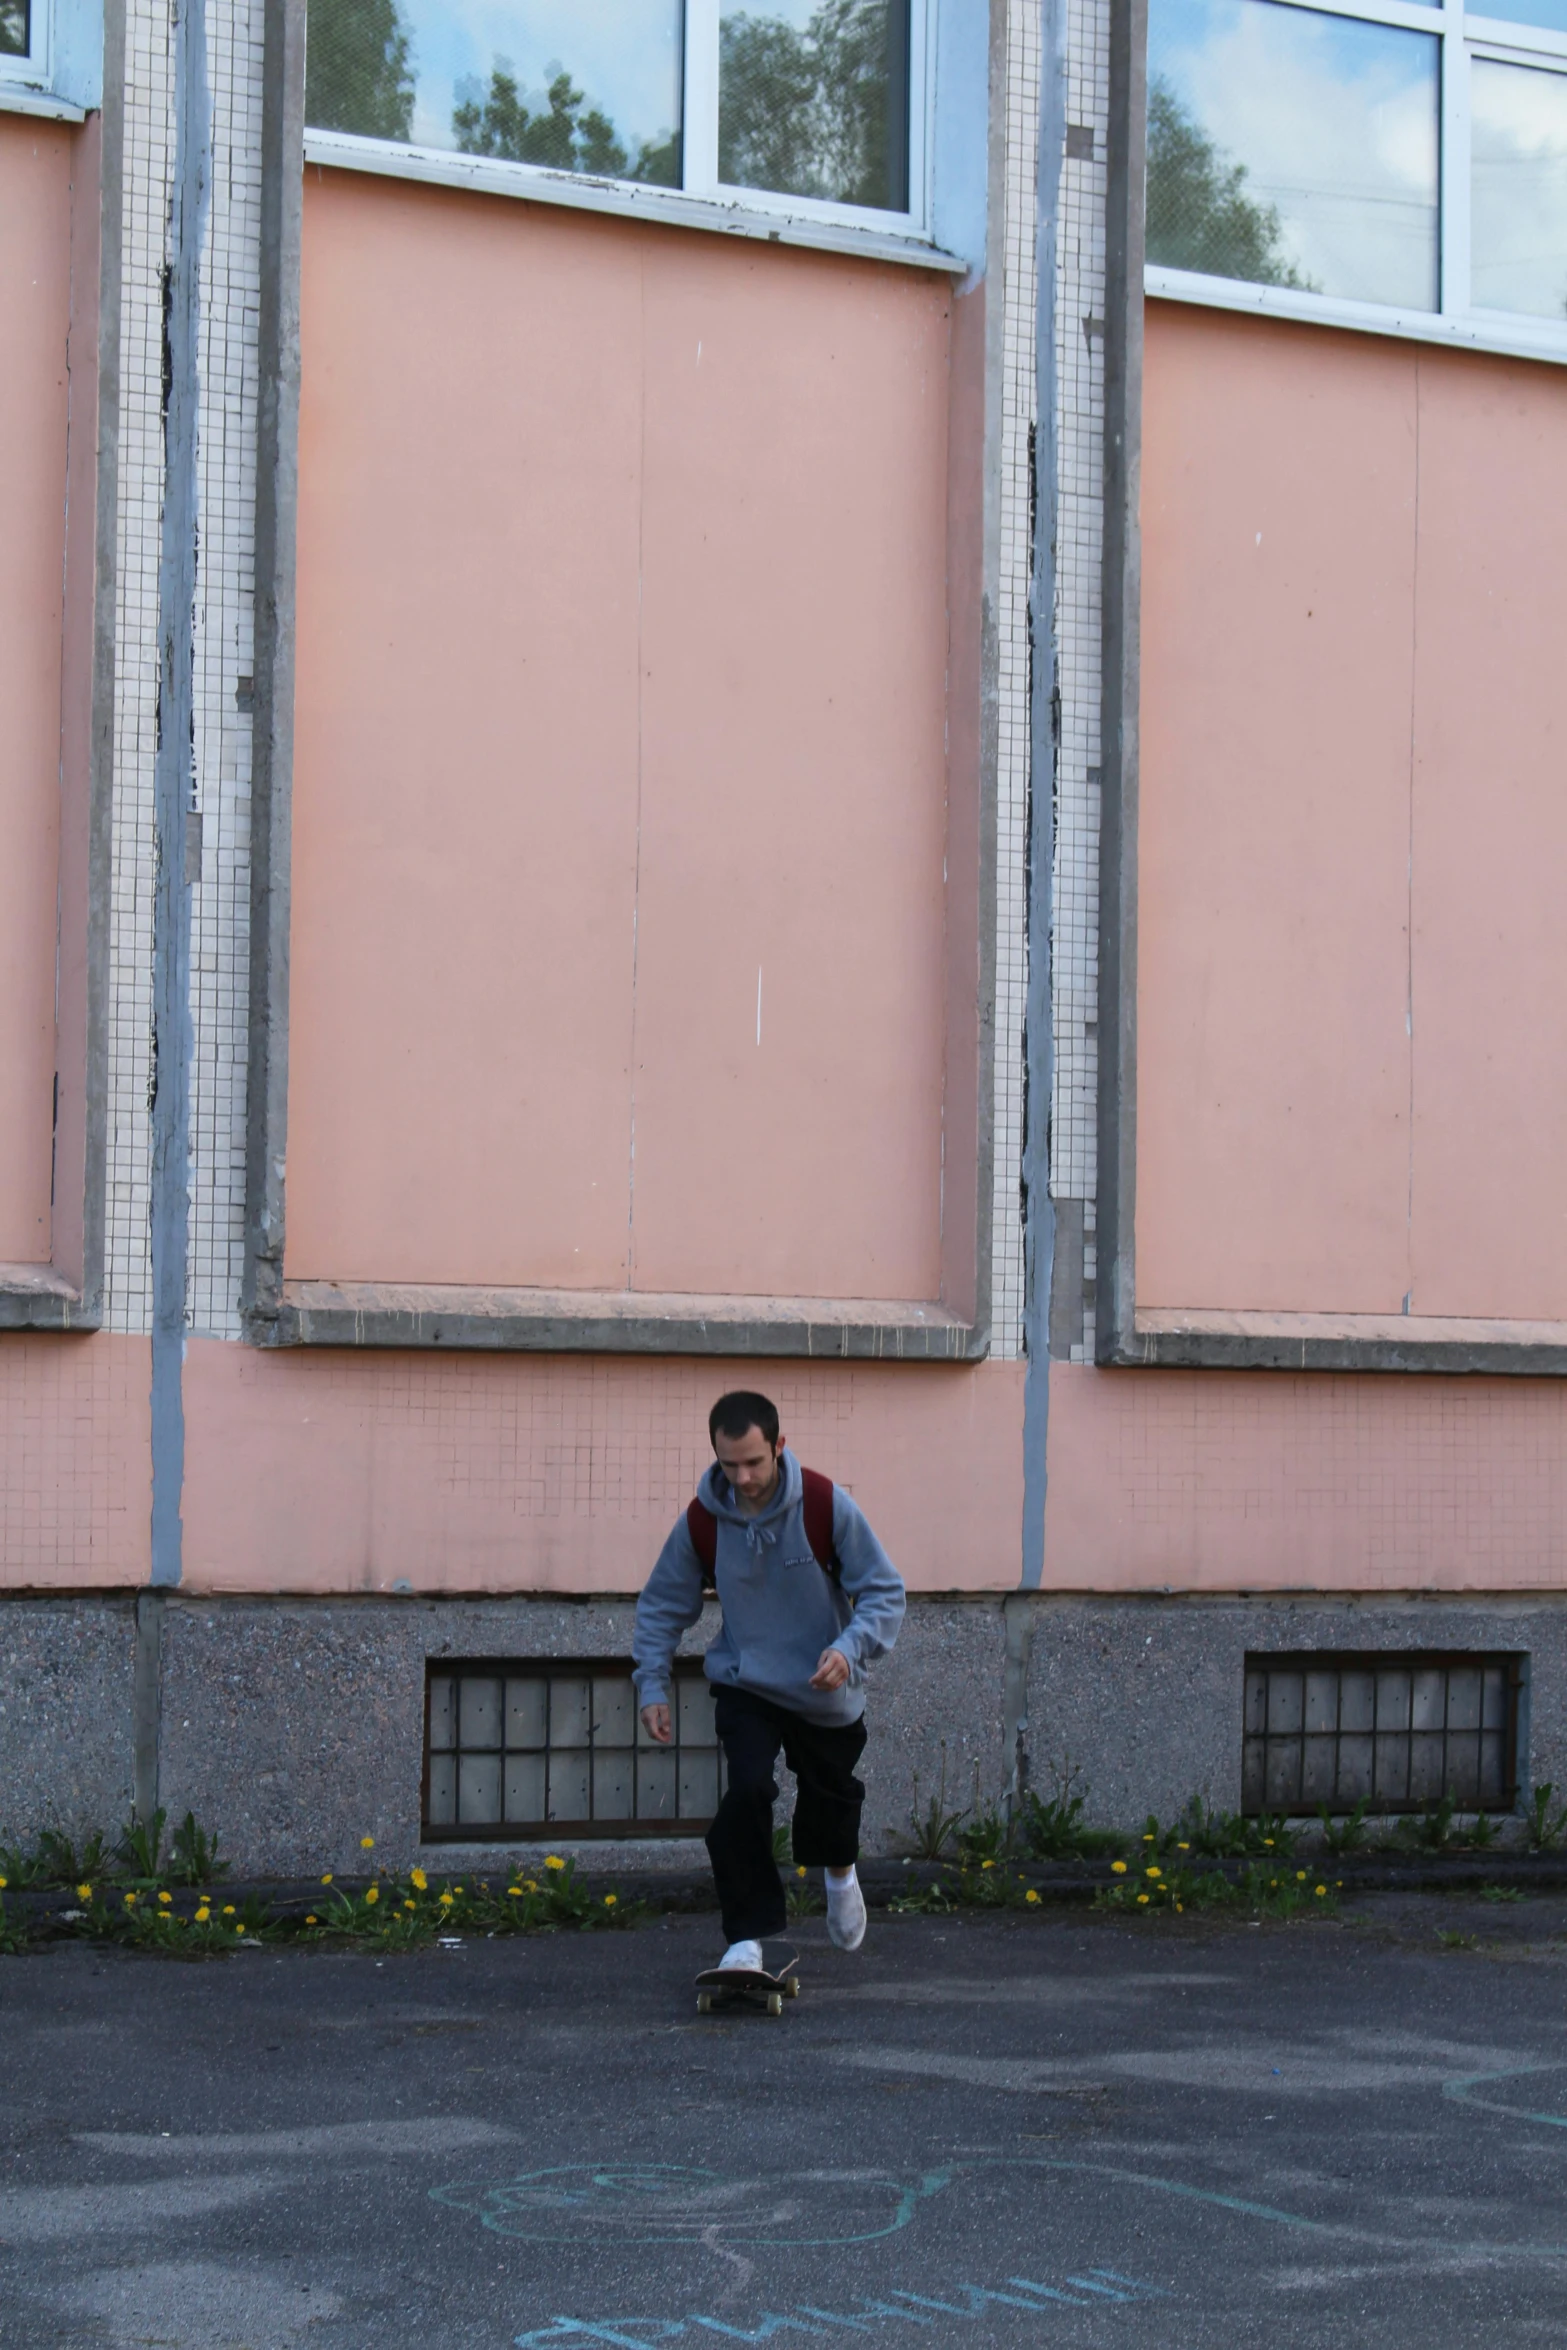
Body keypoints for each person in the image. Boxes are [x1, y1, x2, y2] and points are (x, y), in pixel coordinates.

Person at [633, 1390, 906, 1969]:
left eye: (754, 1461)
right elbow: (661, 1606)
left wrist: (850, 1649)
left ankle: (838, 1877)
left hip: (822, 1682)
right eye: (729, 1463)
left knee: (830, 1801)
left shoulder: (824, 1505)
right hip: (747, 1681)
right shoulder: (705, 1520)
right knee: (746, 1792)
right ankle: (745, 1939)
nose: (744, 1476)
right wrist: (652, 1684)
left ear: (780, 1446)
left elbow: (884, 1591)